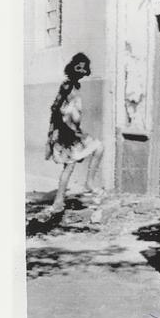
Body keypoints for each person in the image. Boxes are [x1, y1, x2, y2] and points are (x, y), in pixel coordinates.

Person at [39, 53, 104, 222]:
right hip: (67, 134)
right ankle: (61, 200)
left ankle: (67, 196)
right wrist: (56, 131)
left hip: (74, 132)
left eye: (84, 67)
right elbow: (56, 108)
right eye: (78, 67)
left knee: (94, 150)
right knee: (73, 163)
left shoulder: (74, 86)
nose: (82, 70)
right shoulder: (67, 85)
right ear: (72, 67)